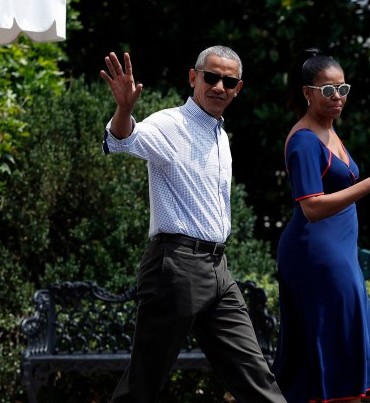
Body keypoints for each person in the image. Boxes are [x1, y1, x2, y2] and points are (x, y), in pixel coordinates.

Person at [99, 46, 286, 403]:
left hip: (218, 270)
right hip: (176, 266)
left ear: (238, 88)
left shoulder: (221, 135)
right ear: (193, 77)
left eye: (228, 81)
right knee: (143, 384)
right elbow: (123, 140)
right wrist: (124, 109)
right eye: (211, 77)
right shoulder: (171, 124)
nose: (219, 86)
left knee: (256, 375)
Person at [272, 48, 370, 402]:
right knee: (334, 356)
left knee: (351, 350)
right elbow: (312, 207)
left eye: (342, 89)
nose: (337, 97)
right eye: (327, 90)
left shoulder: (328, 131)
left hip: (339, 255)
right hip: (317, 257)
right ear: (307, 93)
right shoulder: (304, 139)